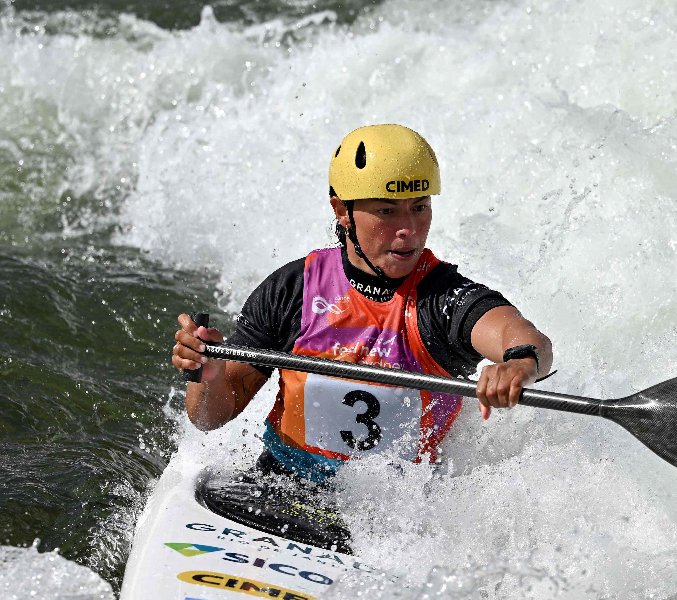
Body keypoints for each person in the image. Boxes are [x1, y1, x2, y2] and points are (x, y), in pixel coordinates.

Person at [171, 124, 553, 485]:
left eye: (419, 207)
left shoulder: (442, 300)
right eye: (387, 211)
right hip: (278, 486)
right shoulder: (294, 289)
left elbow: (518, 333)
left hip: (390, 521)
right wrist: (211, 378)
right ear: (342, 211)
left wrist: (519, 361)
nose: (409, 229)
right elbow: (209, 417)